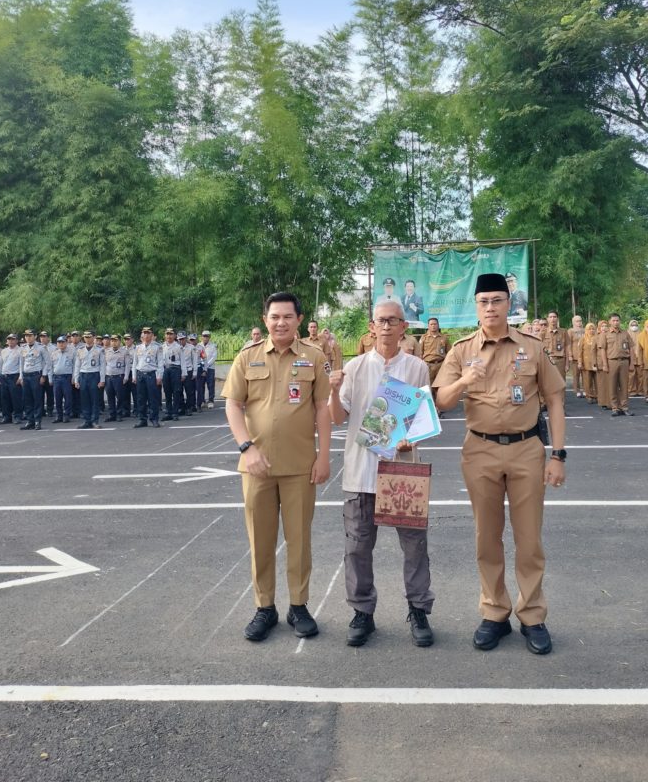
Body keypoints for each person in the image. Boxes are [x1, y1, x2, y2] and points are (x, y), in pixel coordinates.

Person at [434, 273, 566, 655]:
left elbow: (555, 399)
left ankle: (532, 615)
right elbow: (441, 400)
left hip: (526, 449)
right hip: (480, 451)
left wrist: (558, 454)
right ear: (475, 306)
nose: (490, 307)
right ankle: (494, 612)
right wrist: (464, 380)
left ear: (509, 304)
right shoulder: (461, 350)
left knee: (529, 539)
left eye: (497, 300)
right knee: (486, 537)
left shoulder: (532, 347)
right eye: (483, 301)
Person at [223, 291, 331, 643]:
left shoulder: (314, 357)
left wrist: (324, 456)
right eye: (274, 317)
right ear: (265, 320)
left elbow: (323, 409)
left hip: (301, 466)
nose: (280, 322)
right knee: (261, 540)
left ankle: (298, 606)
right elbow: (233, 405)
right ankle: (264, 607)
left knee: (299, 540)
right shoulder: (248, 356)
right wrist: (246, 447)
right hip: (257, 466)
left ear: (299, 319)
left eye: (287, 316)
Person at [328, 299, 435, 648]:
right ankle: (362, 612)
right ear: (371, 327)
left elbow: (424, 418)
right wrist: (333, 390)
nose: (387, 326)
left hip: (403, 470)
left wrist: (410, 438)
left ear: (404, 327)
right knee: (357, 547)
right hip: (361, 471)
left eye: (394, 320)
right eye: (381, 321)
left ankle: (418, 610)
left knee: (415, 547)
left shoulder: (417, 368)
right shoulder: (356, 367)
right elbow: (337, 418)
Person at [597, 314, 634, 417]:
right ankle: (615, 408)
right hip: (611, 362)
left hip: (624, 361)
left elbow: (631, 348)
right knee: (612, 385)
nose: (616, 322)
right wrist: (605, 364)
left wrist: (632, 363)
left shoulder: (625, 333)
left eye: (617, 320)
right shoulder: (605, 334)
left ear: (620, 321)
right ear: (609, 322)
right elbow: (603, 350)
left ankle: (624, 407)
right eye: (613, 320)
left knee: (624, 385)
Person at [18, 329, 52, 430]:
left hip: (36, 376)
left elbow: (48, 362)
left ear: (35, 336)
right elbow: (21, 363)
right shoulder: (23, 348)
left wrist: (44, 376)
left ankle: (37, 421)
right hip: (26, 376)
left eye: (30, 335)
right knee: (27, 399)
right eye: (26, 336)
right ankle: (30, 421)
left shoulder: (41, 347)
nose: (27, 337)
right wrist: (21, 376)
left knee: (37, 399)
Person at [72, 331, 105, 429]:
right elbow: (77, 365)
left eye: (89, 337)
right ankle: (87, 421)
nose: (87, 338)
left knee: (94, 399)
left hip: (94, 375)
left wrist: (102, 379)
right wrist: (76, 379)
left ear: (94, 337)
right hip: (83, 375)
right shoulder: (80, 350)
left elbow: (102, 365)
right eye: (85, 337)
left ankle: (94, 421)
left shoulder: (99, 349)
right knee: (84, 399)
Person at [132, 327, 164, 428]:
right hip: (140, 374)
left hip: (151, 374)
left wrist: (159, 376)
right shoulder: (138, 347)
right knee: (140, 398)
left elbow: (160, 363)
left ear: (152, 335)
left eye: (148, 333)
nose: (146, 335)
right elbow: (135, 363)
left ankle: (154, 419)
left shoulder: (157, 347)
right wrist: (134, 376)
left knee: (153, 398)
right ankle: (142, 419)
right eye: (144, 333)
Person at [0, 334, 24, 424]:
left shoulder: (20, 350)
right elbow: (0, 364)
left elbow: (21, 365)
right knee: (4, 398)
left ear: (16, 341)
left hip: (14, 376)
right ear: (7, 341)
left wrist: (21, 377)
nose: (11, 341)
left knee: (16, 398)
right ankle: (6, 417)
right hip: (4, 376)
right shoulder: (4, 351)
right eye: (9, 339)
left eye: (13, 339)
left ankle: (18, 416)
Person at [104, 335, 130, 421]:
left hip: (119, 377)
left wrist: (126, 377)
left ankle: (119, 414)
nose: (113, 342)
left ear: (119, 341)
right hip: (109, 377)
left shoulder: (124, 352)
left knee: (120, 397)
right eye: (112, 341)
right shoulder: (107, 351)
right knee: (110, 396)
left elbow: (127, 365)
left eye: (115, 341)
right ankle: (112, 414)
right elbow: (104, 364)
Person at [419, 317, 451, 386]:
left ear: (438, 325)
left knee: (441, 385)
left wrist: (447, 364)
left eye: (435, 324)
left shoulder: (444, 337)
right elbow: (420, 353)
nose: (433, 326)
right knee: (428, 386)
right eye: (431, 324)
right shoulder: (424, 337)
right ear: (428, 326)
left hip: (441, 365)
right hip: (428, 366)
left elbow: (450, 352)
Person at [50, 336, 76, 423]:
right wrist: (50, 378)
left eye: (63, 342)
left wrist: (74, 377)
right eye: (59, 342)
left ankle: (67, 415)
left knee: (68, 398)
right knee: (57, 398)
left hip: (67, 377)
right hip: (56, 377)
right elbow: (50, 366)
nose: (61, 344)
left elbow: (75, 366)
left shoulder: (71, 352)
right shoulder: (54, 353)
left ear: (66, 343)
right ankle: (59, 416)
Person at [161, 328, 183, 421]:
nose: (169, 336)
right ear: (165, 335)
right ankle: (168, 412)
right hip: (166, 369)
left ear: (174, 336)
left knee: (176, 391)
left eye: (171, 334)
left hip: (175, 369)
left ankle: (175, 413)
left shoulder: (178, 347)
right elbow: (160, 361)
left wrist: (184, 373)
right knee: (167, 391)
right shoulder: (162, 347)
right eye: (167, 334)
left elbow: (182, 361)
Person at [542, 312, 568, 391]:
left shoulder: (563, 332)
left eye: (554, 317)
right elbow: (539, 348)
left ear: (557, 318)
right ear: (547, 319)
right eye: (550, 317)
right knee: (548, 383)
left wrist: (567, 364)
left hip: (560, 360)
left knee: (561, 383)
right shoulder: (543, 332)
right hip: (547, 361)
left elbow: (567, 348)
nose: (552, 319)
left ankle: (561, 399)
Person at [198, 330, 217, 409]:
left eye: (207, 336)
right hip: (201, 368)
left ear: (209, 337)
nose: (205, 338)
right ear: (201, 337)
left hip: (210, 368)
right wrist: (202, 366)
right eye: (204, 336)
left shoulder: (213, 346)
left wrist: (207, 365)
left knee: (211, 385)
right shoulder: (199, 346)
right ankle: (202, 401)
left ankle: (211, 401)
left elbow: (214, 357)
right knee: (201, 385)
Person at [580, 322, 597, 404]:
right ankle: (589, 396)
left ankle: (597, 396)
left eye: (593, 329)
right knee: (588, 381)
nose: (591, 330)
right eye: (589, 329)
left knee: (597, 381)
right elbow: (580, 352)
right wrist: (580, 362)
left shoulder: (597, 338)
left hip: (596, 362)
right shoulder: (583, 339)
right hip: (586, 362)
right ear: (586, 330)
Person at [567, 315, 584, 397]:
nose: (579, 322)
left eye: (580, 321)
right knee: (576, 374)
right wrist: (570, 354)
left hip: (584, 356)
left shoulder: (585, 330)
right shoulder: (570, 331)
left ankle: (585, 389)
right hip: (575, 356)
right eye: (577, 321)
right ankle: (577, 390)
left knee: (585, 375)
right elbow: (568, 344)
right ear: (573, 322)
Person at [595, 320, 611, 409]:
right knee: (602, 384)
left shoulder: (610, 336)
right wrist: (594, 364)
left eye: (606, 326)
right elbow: (593, 351)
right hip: (600, 364)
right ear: (599, 328)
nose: (604, 328)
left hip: (610, 362)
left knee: (610, 384)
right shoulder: (596, 337)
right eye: (602, 326)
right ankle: (602, 402)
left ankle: (610, 402)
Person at [627, 319, 643, 397]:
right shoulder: (627, 334)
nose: (634, 326)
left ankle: (640, 390)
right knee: (631, 375)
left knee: (640, 375)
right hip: (630, 357)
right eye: (632, 325)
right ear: (629, 326)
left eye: (636, 325)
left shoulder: (641, 334)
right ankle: (631, 390)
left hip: (639, 356)